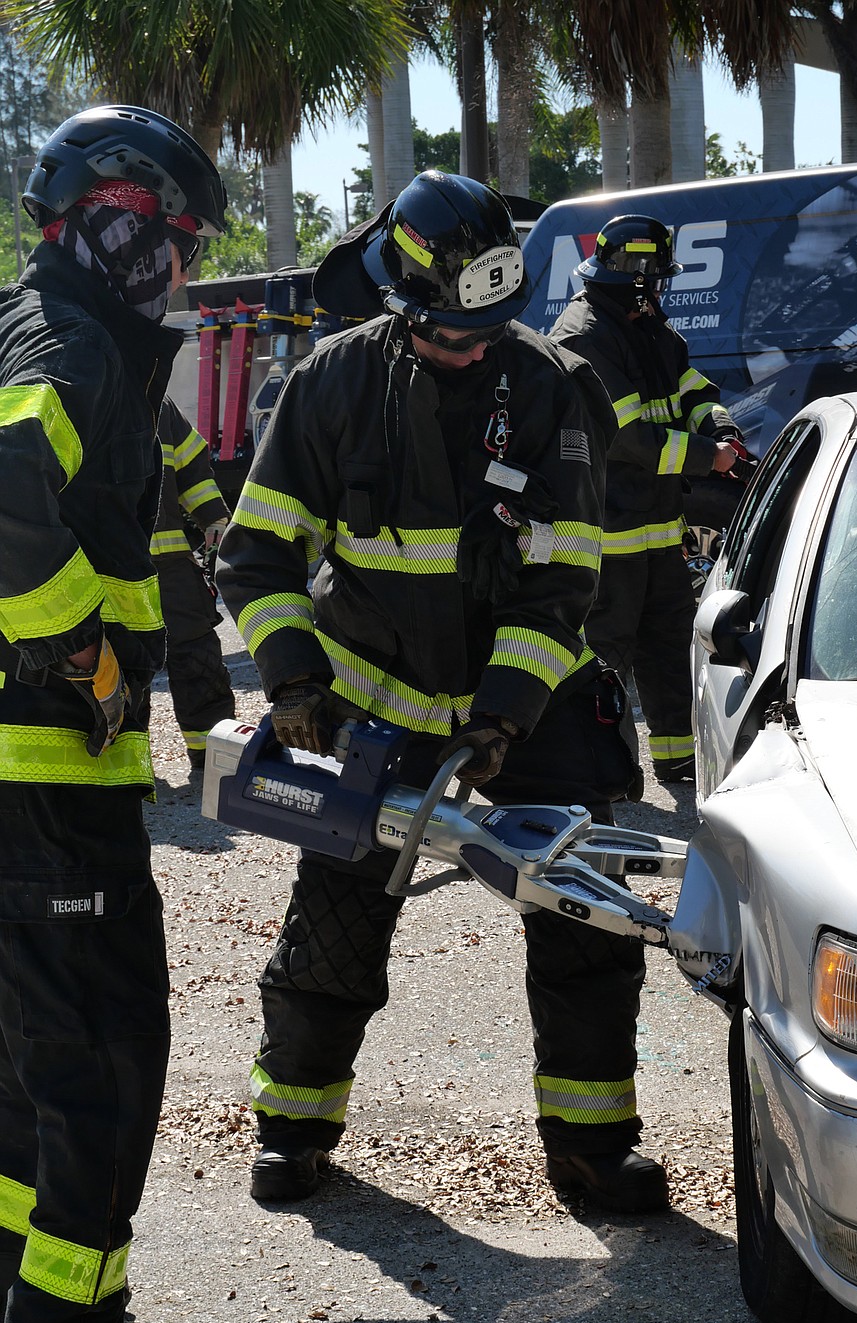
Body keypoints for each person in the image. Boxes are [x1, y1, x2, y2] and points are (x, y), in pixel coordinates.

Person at [216, 170, 669, 1216]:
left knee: (581, 924)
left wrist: (505, 711)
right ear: (399, 296)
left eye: (484, 333)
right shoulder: (330, 384)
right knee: (331, 928)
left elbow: (564, 575)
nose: (468, 348)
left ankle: (593, 1146)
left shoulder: (553, 384)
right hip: (367, 704)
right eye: (448, 333)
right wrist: (292, 680)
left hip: (527, 710)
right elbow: (257, 556)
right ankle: (292, 1127)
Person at [0, 105, 243, 1323]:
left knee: (26, 1088)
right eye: (172, 242)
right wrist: (85, 657)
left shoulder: (32, 325)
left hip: (27, 789)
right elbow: (8, 498)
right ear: (111, 217)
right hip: (47, 785)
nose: (178, 272)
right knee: (101, 1070)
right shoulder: (68, 342)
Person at [548, 215, 749, 785]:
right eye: (657, 280)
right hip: (606, 534)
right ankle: (605, 772)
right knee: (605, 655)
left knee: (666, 645)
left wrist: (720, 425)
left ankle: (678, 760)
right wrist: (706, 458)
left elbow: (692, 391)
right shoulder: (584, 337)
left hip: (657, 528)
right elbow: (627, 437)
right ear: (638, 282)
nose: (661, 290)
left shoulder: (648, 328)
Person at [152, 397, 235, 772]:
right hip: (103, 568)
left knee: (198, 657)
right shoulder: (75, 385)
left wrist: (214, 518)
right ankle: (119, 770)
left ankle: (215, 753)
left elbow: (192, 470)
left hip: (170, 566)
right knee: (117, 664)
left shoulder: (159, 401)